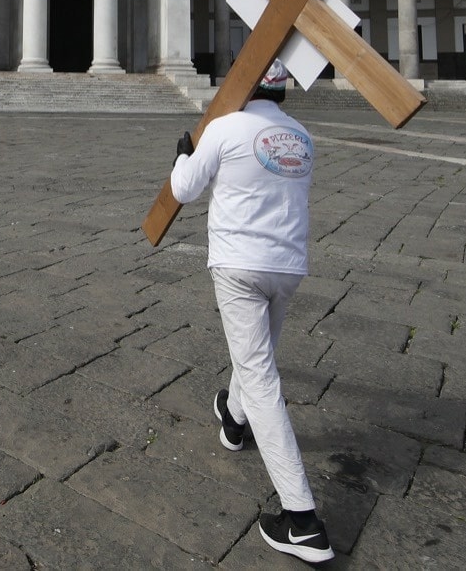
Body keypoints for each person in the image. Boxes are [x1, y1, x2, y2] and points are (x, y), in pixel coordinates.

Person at [169, 58, 332, 563]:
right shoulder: (302, 137)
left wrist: (182, 156)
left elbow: (184, 191)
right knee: (256, 358)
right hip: (288, 265)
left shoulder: (226, 127)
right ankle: (233, 422)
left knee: (260, 376)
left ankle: (302, 520)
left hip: (240, 265)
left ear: (245, 82)